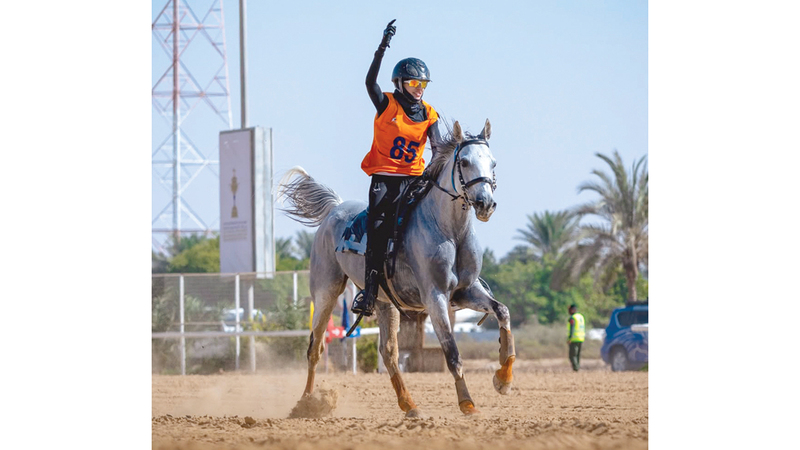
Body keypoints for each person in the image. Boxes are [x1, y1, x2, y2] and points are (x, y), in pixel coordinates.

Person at [351, 19, 442, 317]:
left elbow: (440, 147)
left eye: (423, 84)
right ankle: (369, 292)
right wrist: (382, 47)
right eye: (415, 83)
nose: (419, 89)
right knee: (377, 233)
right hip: (385, 181)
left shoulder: (430, 113)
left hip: (414, 180)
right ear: (400, 83)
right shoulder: (386, 104)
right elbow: (369, 83)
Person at [567, 304, 586, 371]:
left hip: (574, 338)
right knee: (577, 355)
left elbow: (572, 328)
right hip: (581, 338)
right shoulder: (581, 317)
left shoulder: (573, 318)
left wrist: (569, 338)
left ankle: (576, 368)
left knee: (572, 355)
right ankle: (577, 367)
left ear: (572, 310)